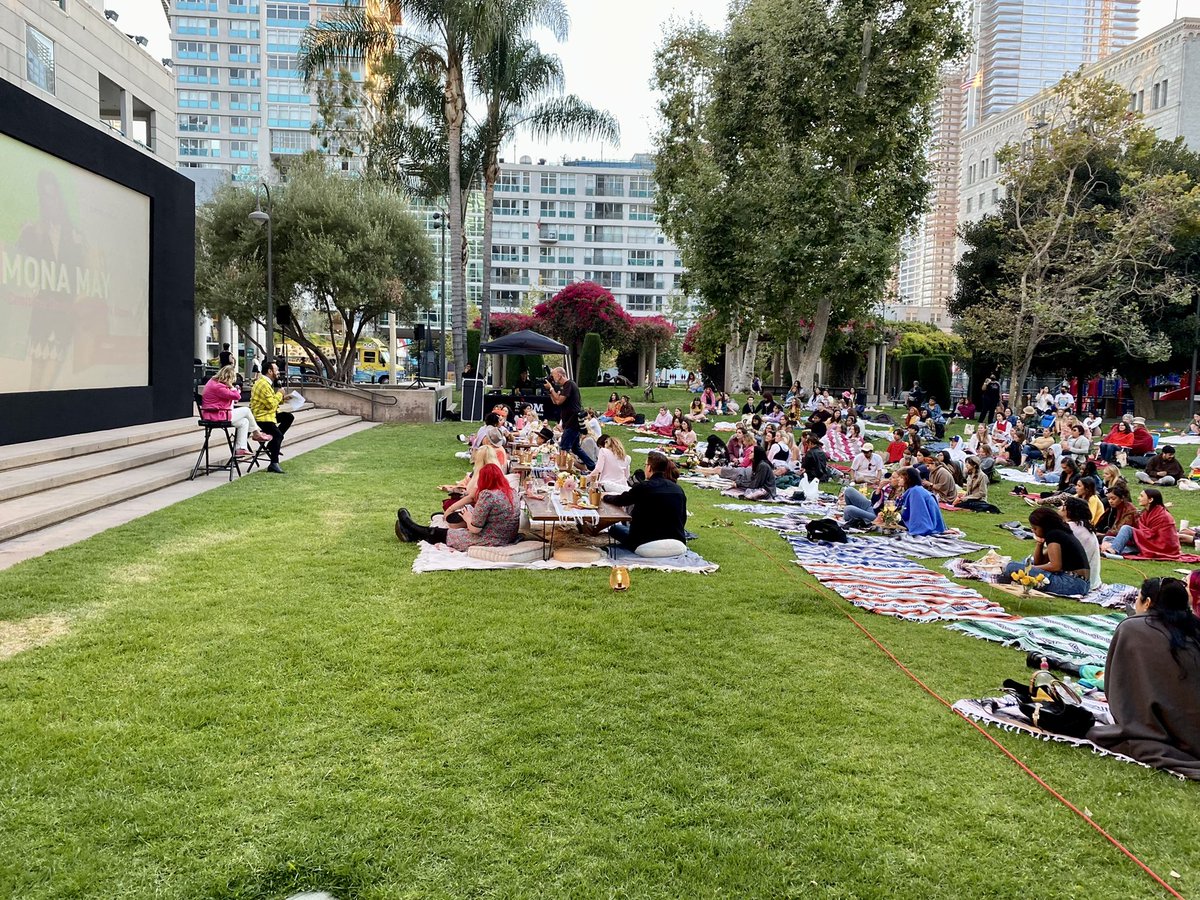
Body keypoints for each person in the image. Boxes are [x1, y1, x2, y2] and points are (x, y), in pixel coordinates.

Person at [1086, 577, 1200, 779]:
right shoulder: (1194, 629)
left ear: (1147, 603)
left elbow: (1120, 693)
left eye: (1138, 599)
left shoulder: (1133, 628)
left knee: (1098, 731)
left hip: (1174, 737)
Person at [397, 463, 520, 549]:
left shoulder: (488, 495)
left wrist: (467, 517)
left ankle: (411, 528)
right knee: (456, 524)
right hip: (506, 536)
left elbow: (475, 529)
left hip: (491, 539)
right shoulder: (512, 492)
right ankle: (410, 532)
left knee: (443, 534)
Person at [604, 452, 688, 551]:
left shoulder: (643, 487)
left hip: (645, 544)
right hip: (678, 544)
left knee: (615, 529)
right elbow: (683, 518)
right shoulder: (678, 489)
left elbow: (621, 500)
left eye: (645, 465)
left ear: (649, 468)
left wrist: (606, 497)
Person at [999, 506, 1091, 596]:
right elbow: (1039, 562)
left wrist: (1032, 568)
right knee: (1026, 563)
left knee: (1011, 567)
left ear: (1045, 526)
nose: (1033, 531)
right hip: (1081, 584)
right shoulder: (1061, 533)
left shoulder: (1054, 535)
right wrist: (1040, 544)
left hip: (1071, 584)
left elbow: (1055, 566)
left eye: (1035, 528)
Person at [200, 365, 270, 458]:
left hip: (214, 414)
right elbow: (237, 396)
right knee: (246, 410)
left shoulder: (212, 382)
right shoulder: (219, 387)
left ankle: (241, 447)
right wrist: (232, 387)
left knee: (244, 422)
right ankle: (256, 433)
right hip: (217, 415)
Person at [1102, 488, 1180, 558]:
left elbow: (1156, 536)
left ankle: (1113, 550)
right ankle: (1116, 548)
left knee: (1126, 528)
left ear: (1150, 500)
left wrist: (1136, 534)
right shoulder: (1146, 512)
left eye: (1142, 496)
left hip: (1158, 546)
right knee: (1108, 538)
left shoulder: (1162, 515)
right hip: (1145, 541)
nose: (1139, 498)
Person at [250, 359, 296, 474]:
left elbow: (270, 402)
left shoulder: (266, 383)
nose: (278, 372)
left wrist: (284, 398)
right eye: (276, 370)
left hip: (269, 414)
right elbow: (271, 404)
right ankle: (274, 463)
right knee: (278, 435)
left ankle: (272, 444)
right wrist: (280, 394)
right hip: (262, 417)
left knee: (288, 417)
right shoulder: (263, 384)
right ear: (270, 371)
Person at [546, 366, 593, 470]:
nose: (552, 378)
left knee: (563, 448)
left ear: (559, 375)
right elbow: (555, 402)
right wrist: (550, 391)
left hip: (573, 422)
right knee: (575, 448)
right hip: (571, 422)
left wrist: (551, 388)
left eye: (553, 376)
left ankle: (562, 471)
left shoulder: (569, 384)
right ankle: (592, 466)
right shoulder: (565, 387)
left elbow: (559, 401)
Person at [1061, 497, 1102, 592]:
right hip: (1092, 580)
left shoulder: (1070, 528)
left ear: (1068, 511)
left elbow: (1055, 562)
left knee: (1027, 567)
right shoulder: (1085, 527)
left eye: (1063, 506)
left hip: (1076, 580)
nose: (1059, 508)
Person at [895, 467, 945, 536]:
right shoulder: (914, 489)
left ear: (908, 479)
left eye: (901, 477)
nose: (898, 479)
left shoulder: (915, 492)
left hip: (927, 524)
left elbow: (919, 516)